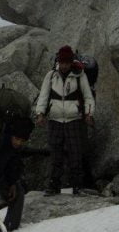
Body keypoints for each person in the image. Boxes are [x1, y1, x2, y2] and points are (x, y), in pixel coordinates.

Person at [35, 45, 95, 196]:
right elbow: (43, 95)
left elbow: (88, 96)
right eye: (62, 62)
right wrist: (40, 113)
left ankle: (77, 186)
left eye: (67, 63)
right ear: (58, 61)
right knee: (56, 154)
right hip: (55, 120)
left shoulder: (79, 75)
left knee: (75, 153)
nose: (64, 65)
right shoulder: (51, 76)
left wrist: (88, 114)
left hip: (74, 119)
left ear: (71, 62)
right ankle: (53, 186)